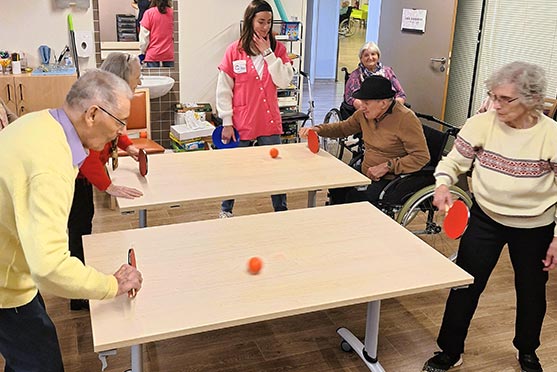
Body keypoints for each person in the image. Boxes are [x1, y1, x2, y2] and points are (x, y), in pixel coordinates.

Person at [0, 69, 143, 372]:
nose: (121, 131)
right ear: (92, 114)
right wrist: (110, 285)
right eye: (119, 121)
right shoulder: (49, 164)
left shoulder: (40, 123)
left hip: (13, 262)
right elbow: (49, 266)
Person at [422, 61, 557, 372]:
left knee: (531, 291)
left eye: (504, 99)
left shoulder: (550, 136)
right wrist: (443, 183)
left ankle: (527, 352)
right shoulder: (481, 124)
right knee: (465, 285)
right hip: (485, 218)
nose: (494, 104)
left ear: (531, 99)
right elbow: (453, 162)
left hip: (534, 226)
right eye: (492, 96)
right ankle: (450, 351)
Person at [66, 53, 143, 311]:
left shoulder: (111, 101)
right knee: (78, 232)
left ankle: (80, 284)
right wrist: (108, 185)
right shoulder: (99, 104)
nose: (139, 81)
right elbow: (85, 156)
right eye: (136, 77)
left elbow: (115, 132)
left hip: (83, 179)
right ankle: (77, 295)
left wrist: (129, 147)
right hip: (74, 179)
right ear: (122, 79)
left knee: (83, 227)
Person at [215, 0, 294, 218]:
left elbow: (284, 81)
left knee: (275, 168)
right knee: (235, 168)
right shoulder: (235, 51)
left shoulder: (278, 49)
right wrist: (227, 121)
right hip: (242, 120)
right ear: (250, 20)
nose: (265, 27)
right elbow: (224, 89)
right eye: (261, 21)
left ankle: (281, 210)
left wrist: (268, 54)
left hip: (268, 120)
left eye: (269, 22)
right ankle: (225, 209)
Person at [299, 75, 429, 206]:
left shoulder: (406, 119)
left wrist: (387, 166)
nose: (362, 106)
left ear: (383, 103)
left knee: (355, 198)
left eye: (366, 103)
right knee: (336, 185)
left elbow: (421, 156)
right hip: (365, 171)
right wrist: (318, 129)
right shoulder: (364, 114)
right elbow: (343, 128)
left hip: (390, 179)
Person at [342, 42, 406, 119]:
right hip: (368, 112)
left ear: (378, 56)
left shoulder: (388, 71)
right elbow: (350, 98)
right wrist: (372, 110)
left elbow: (401, 93)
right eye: (366, 55)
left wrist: (393, 108)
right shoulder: (355, 75)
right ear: (361, 58)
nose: (370, 57)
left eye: (373, 54)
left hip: (388, 109)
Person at [139, 0, 174, 67]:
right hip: (169, 53)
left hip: (153, 53)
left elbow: (144, 38)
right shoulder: (173, 13)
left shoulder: (149, 13)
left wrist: (142, 52)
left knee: (153, 77)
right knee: (172, 76)